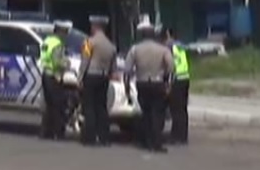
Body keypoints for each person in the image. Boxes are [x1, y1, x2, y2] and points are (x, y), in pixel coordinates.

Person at [124, 20, 174, 153]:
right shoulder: (163, 49)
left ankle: (147, 141)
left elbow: (127, 69)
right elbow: (170, 67)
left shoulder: (135, 49)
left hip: (142, 83)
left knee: (145, 113)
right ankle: (157, 142)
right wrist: (166, 81)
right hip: (158, 83)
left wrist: (127, 87)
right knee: (157, 113)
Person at [78, 15, 118, 146]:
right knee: (101, 107)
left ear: (95, 27)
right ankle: (104, 137)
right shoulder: (111, 46)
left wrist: (80, 78)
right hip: (104, 77)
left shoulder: (89, 42)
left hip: (91, 76)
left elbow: (85, 61)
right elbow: (114, 67)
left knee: (89, 107)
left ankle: (89, 137)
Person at [38, 19, 71, 140]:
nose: (66, 35)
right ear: (60, 32)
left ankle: (45, 132)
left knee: (49, 105)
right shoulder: (57, 43)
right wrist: (67, 64)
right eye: (65, 32)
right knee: (58, 106)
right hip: (54, 76)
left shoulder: (47, 40)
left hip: (45, 74)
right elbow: (57, 61)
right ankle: (58, 133)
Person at [163, 26, 191, 145]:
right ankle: (183, 136)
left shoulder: (169, 46)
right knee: (183, 110)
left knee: (176, 110)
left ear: (168, 34)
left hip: (176, 79)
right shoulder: (181, 46)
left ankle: (176, 136)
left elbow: (168, 65)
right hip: (185, 77)